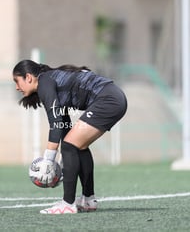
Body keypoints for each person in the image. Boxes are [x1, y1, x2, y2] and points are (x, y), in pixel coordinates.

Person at [13, 59, 127, 214]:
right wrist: (64, 168)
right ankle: (88, 199)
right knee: (77, 145)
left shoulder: (45, 82)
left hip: (109, 99)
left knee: (70, 145)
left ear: (28, 77)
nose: (16, 87)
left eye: (17, 81)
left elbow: (55, 122)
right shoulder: (50, 81)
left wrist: (48, 161)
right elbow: (63, 127)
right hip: (114, 98)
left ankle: (67, 204)